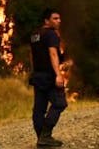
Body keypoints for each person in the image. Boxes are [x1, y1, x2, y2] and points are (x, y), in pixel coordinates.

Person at [29, 8, 68, 147]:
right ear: (47, 20)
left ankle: (41, 139)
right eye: (55, 18)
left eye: (59, 18)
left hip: (38, 75)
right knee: (60, 103)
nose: (59, 21)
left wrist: (34, 72)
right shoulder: (51, 34)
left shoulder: (35, 35)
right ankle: (45, 136)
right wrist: (58, 74)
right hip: (49, 76)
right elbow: (53, 54)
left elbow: (32, 55)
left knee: (39, 108)